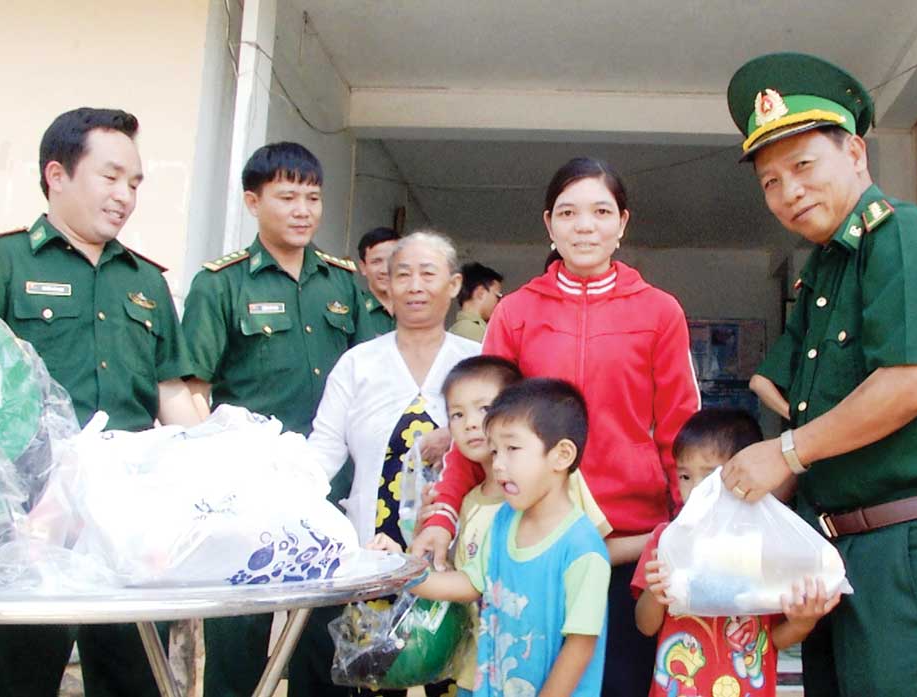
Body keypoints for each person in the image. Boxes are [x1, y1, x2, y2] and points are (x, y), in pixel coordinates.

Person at [725, 53, 917, 697]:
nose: (789, 191)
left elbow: (909, 383)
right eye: (770, 182)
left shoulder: (903, 236)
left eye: (804, 166)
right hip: (839, 548)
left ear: (857, 156)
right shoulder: (823, 271)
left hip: (909, 543)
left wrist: (787, 450)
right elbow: (775, 382)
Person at [413, 157, 701, 695]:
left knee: (617, 686)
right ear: (549, 224)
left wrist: (687, 527)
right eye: (568, 213)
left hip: (630, 546)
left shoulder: (659, 312)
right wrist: (443, 515)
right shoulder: (517, 313)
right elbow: (478, 429)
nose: (584, 225)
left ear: (623, 223)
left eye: (600, 211)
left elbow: (680, 434)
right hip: (529, 548)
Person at [0, 107, 202, 697]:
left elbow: (170, 390)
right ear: (57, 174)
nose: (125, 195)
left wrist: (206, 472)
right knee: (19, 678)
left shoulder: (146, 282)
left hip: (128, 518)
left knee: (135, 674)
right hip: (29, 519)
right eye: (111, 176)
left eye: (136, 183)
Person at [181, 141, 375, 697]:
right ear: (252, 201)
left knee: (324, 642)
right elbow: (194, 389)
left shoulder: (343, 284)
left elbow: (367, 377)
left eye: (312, 197)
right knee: (238, 644)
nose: (303, 210)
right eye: (287, 196)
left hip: (328, 493)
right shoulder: (221, 284)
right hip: (250, 497)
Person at [294, 230, 480, 697]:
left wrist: (455, 434)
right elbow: (323, 451)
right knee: (373, 679)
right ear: (386, 286)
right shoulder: (358, 365)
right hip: (370, 556)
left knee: (452, 676)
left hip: (456, 562)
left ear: (454, 285)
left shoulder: (477, 364)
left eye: (428, 274)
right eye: (403, 275)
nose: (415, 286)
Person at [391, 378, 611, 697]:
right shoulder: (505, 520)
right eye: (495, 452)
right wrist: (395, 570)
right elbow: (470, 584)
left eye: (512, 449)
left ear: (561, 455)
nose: (499, 466)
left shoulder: (582, 548)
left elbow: (579, 648)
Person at [632, 408, 840, 697]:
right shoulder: (667, 540)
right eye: (684, 475)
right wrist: (655, 593)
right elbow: (645, 625)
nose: (693, 490)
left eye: (709, 477)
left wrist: (803, 623)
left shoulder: (764, 546)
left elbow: (775, 638)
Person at [357, 226, 400, 335]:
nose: (385, 270)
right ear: (363, 267)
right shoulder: (355, 310)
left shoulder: (416, 311)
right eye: (376, 262)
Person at [448, 262, 503, 342]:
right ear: (481, 293)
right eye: (497, 296)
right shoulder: (472, 331)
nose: (499, 302)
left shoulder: (456, 329)